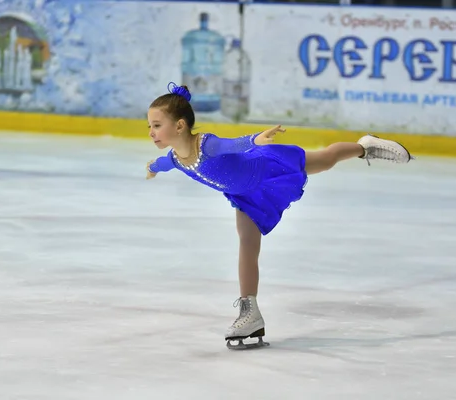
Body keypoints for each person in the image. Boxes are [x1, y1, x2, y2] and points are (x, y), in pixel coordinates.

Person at [146, 82, 413, 349]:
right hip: (246, 195)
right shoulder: (176, 159)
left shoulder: (206, 145)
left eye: (157, 125)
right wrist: (153, 167)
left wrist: (255, 139)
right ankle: (249, 311)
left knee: (325, 159)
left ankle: (364, 147)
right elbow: (163, 163)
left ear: (180, 126)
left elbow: (232, 145)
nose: (151, 132)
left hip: (268, 168)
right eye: (150, 126)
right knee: (247, 244)